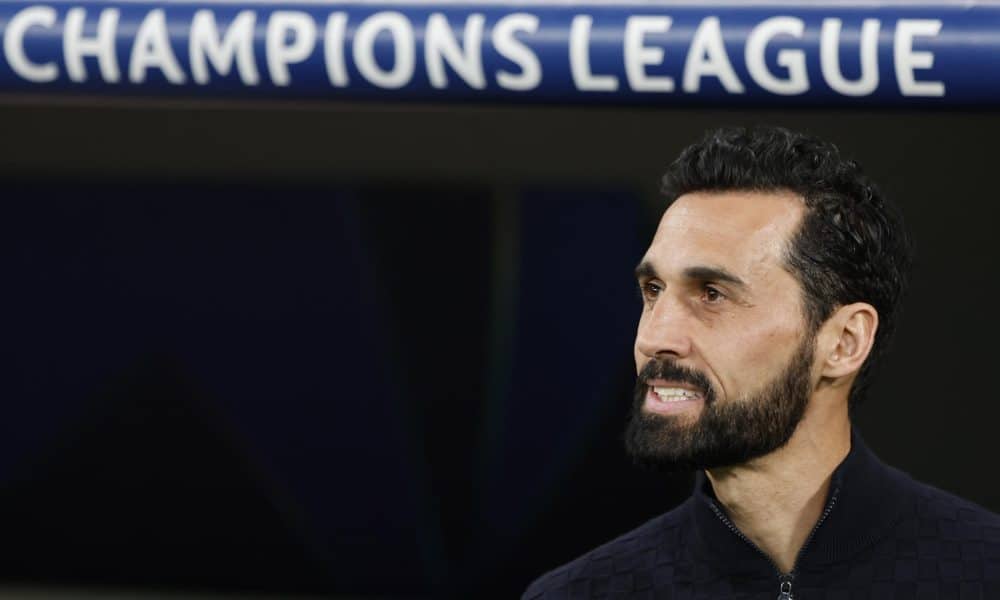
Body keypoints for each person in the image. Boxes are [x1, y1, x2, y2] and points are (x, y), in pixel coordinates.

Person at [522, 126, 1000, 599]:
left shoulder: (980, 570)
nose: (654, 337)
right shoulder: (581, 592)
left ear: (844, 341)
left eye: (712, 294)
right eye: (653, 291)